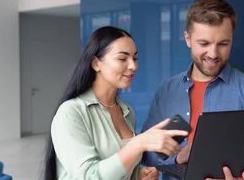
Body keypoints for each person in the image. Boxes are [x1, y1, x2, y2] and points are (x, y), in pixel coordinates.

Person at [141, 0, 244, 180]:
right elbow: (147, 153)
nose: (213, 54)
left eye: (223, 44)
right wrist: (178, 157)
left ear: (232, 39)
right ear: (187, 39)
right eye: (204, 44)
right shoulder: (167, 90)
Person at [43, 26, 188, 180]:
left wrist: (136, 175)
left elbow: (118, 169)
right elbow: (87, 176)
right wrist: (137, 144)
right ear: (96, 63)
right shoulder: (71, 112)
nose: (133, 66)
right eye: (122, 58)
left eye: (135, 58)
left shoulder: (126, 111)